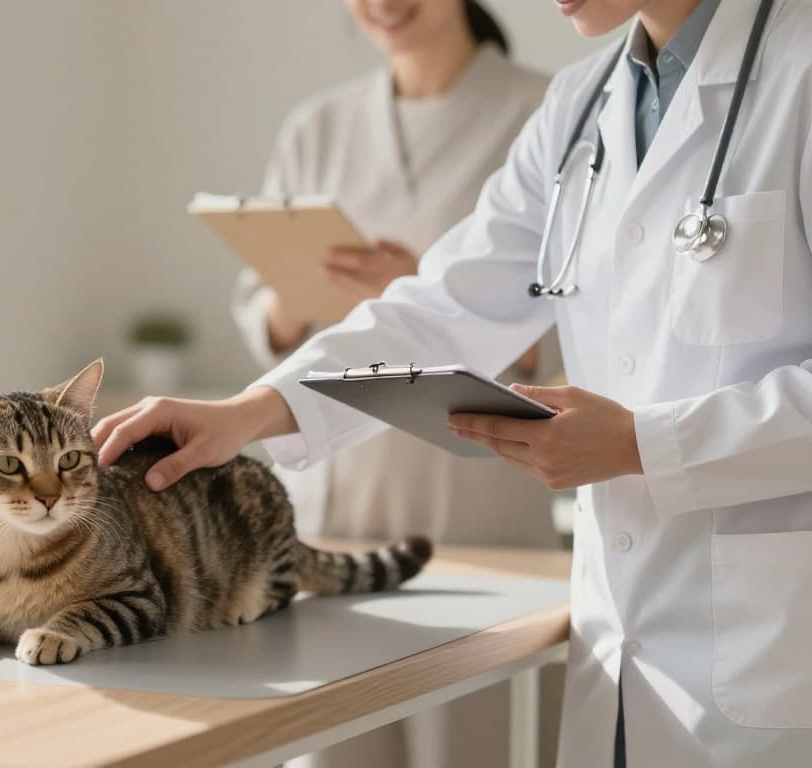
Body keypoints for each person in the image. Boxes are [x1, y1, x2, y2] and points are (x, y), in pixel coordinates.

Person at [95, 0, 812, 765]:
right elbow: (442, 307)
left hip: (773, 644)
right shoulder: (580, 106)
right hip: (623, 641)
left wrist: (644, 444)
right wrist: (251, 411)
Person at [230, 1, 562, 765]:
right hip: (339, 500)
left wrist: (413, 288)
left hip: (477, 499)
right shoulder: (319, 126)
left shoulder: (546, 110)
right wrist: (293, 293)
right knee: (335, 745)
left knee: (479, 741)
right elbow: (264, 315)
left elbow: (564, 315)